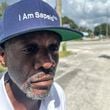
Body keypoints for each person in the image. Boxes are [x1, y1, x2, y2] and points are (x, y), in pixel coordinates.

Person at [0, 0, 83, 110]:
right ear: (3, 56)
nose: (48, 63)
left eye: (53, 48)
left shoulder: (58, 95)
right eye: (30, 49)